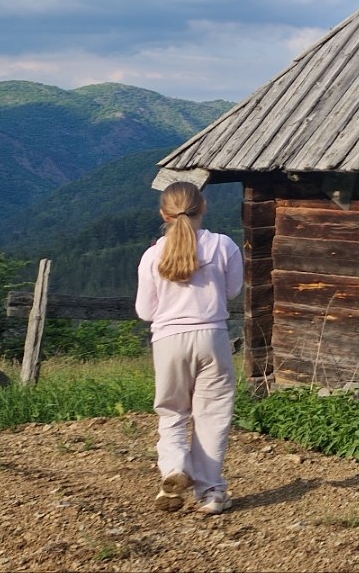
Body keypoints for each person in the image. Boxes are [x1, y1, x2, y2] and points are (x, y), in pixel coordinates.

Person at [135, 181, 242, 515]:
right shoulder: (223, 245)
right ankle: (210, 492)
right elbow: (233, 291)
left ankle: (174, 469)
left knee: (172, 412)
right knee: (211, 416)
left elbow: (145, 312)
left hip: (168, 340)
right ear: (204, 207)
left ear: (164, 214)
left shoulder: (153, 255)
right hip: (211, 336)